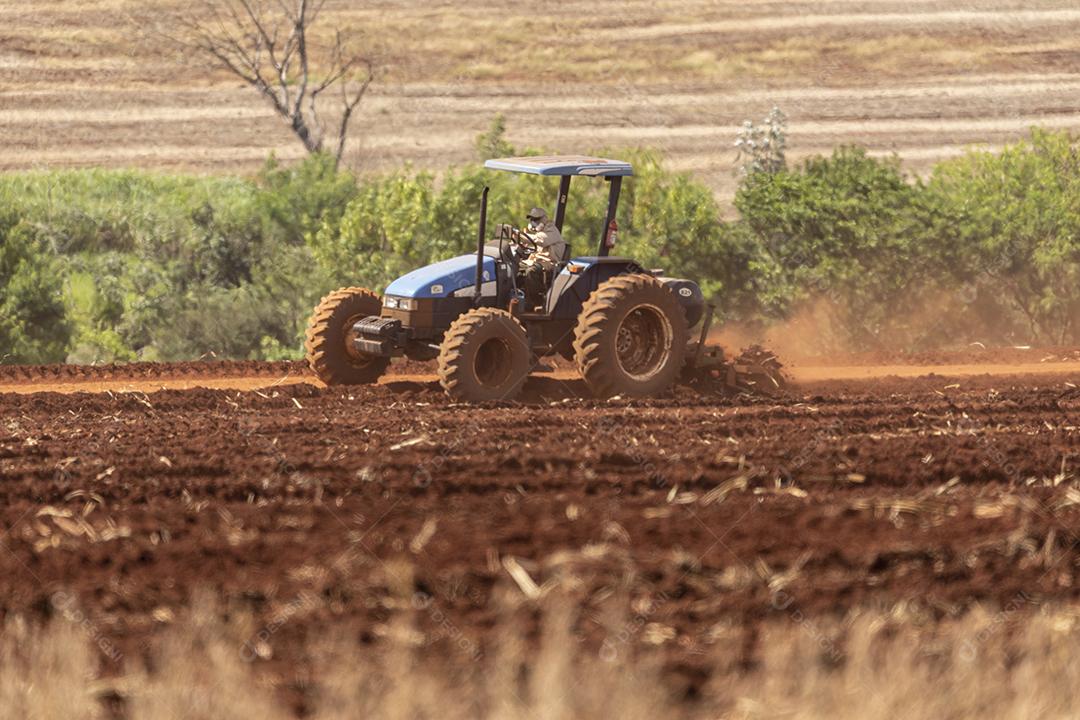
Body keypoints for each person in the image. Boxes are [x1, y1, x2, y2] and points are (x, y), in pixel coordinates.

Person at [519, 207, 565, 311]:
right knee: (512, 267)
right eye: (531, 220)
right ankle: (518, 298)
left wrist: (520, 236)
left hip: (549, 263)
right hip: (535, 261)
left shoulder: (552, 231)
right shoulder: (537, 233)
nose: (532, 222)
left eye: (536, 219)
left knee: (531, 271)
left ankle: (535, 303)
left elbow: (539, 240)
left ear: (544, 219)